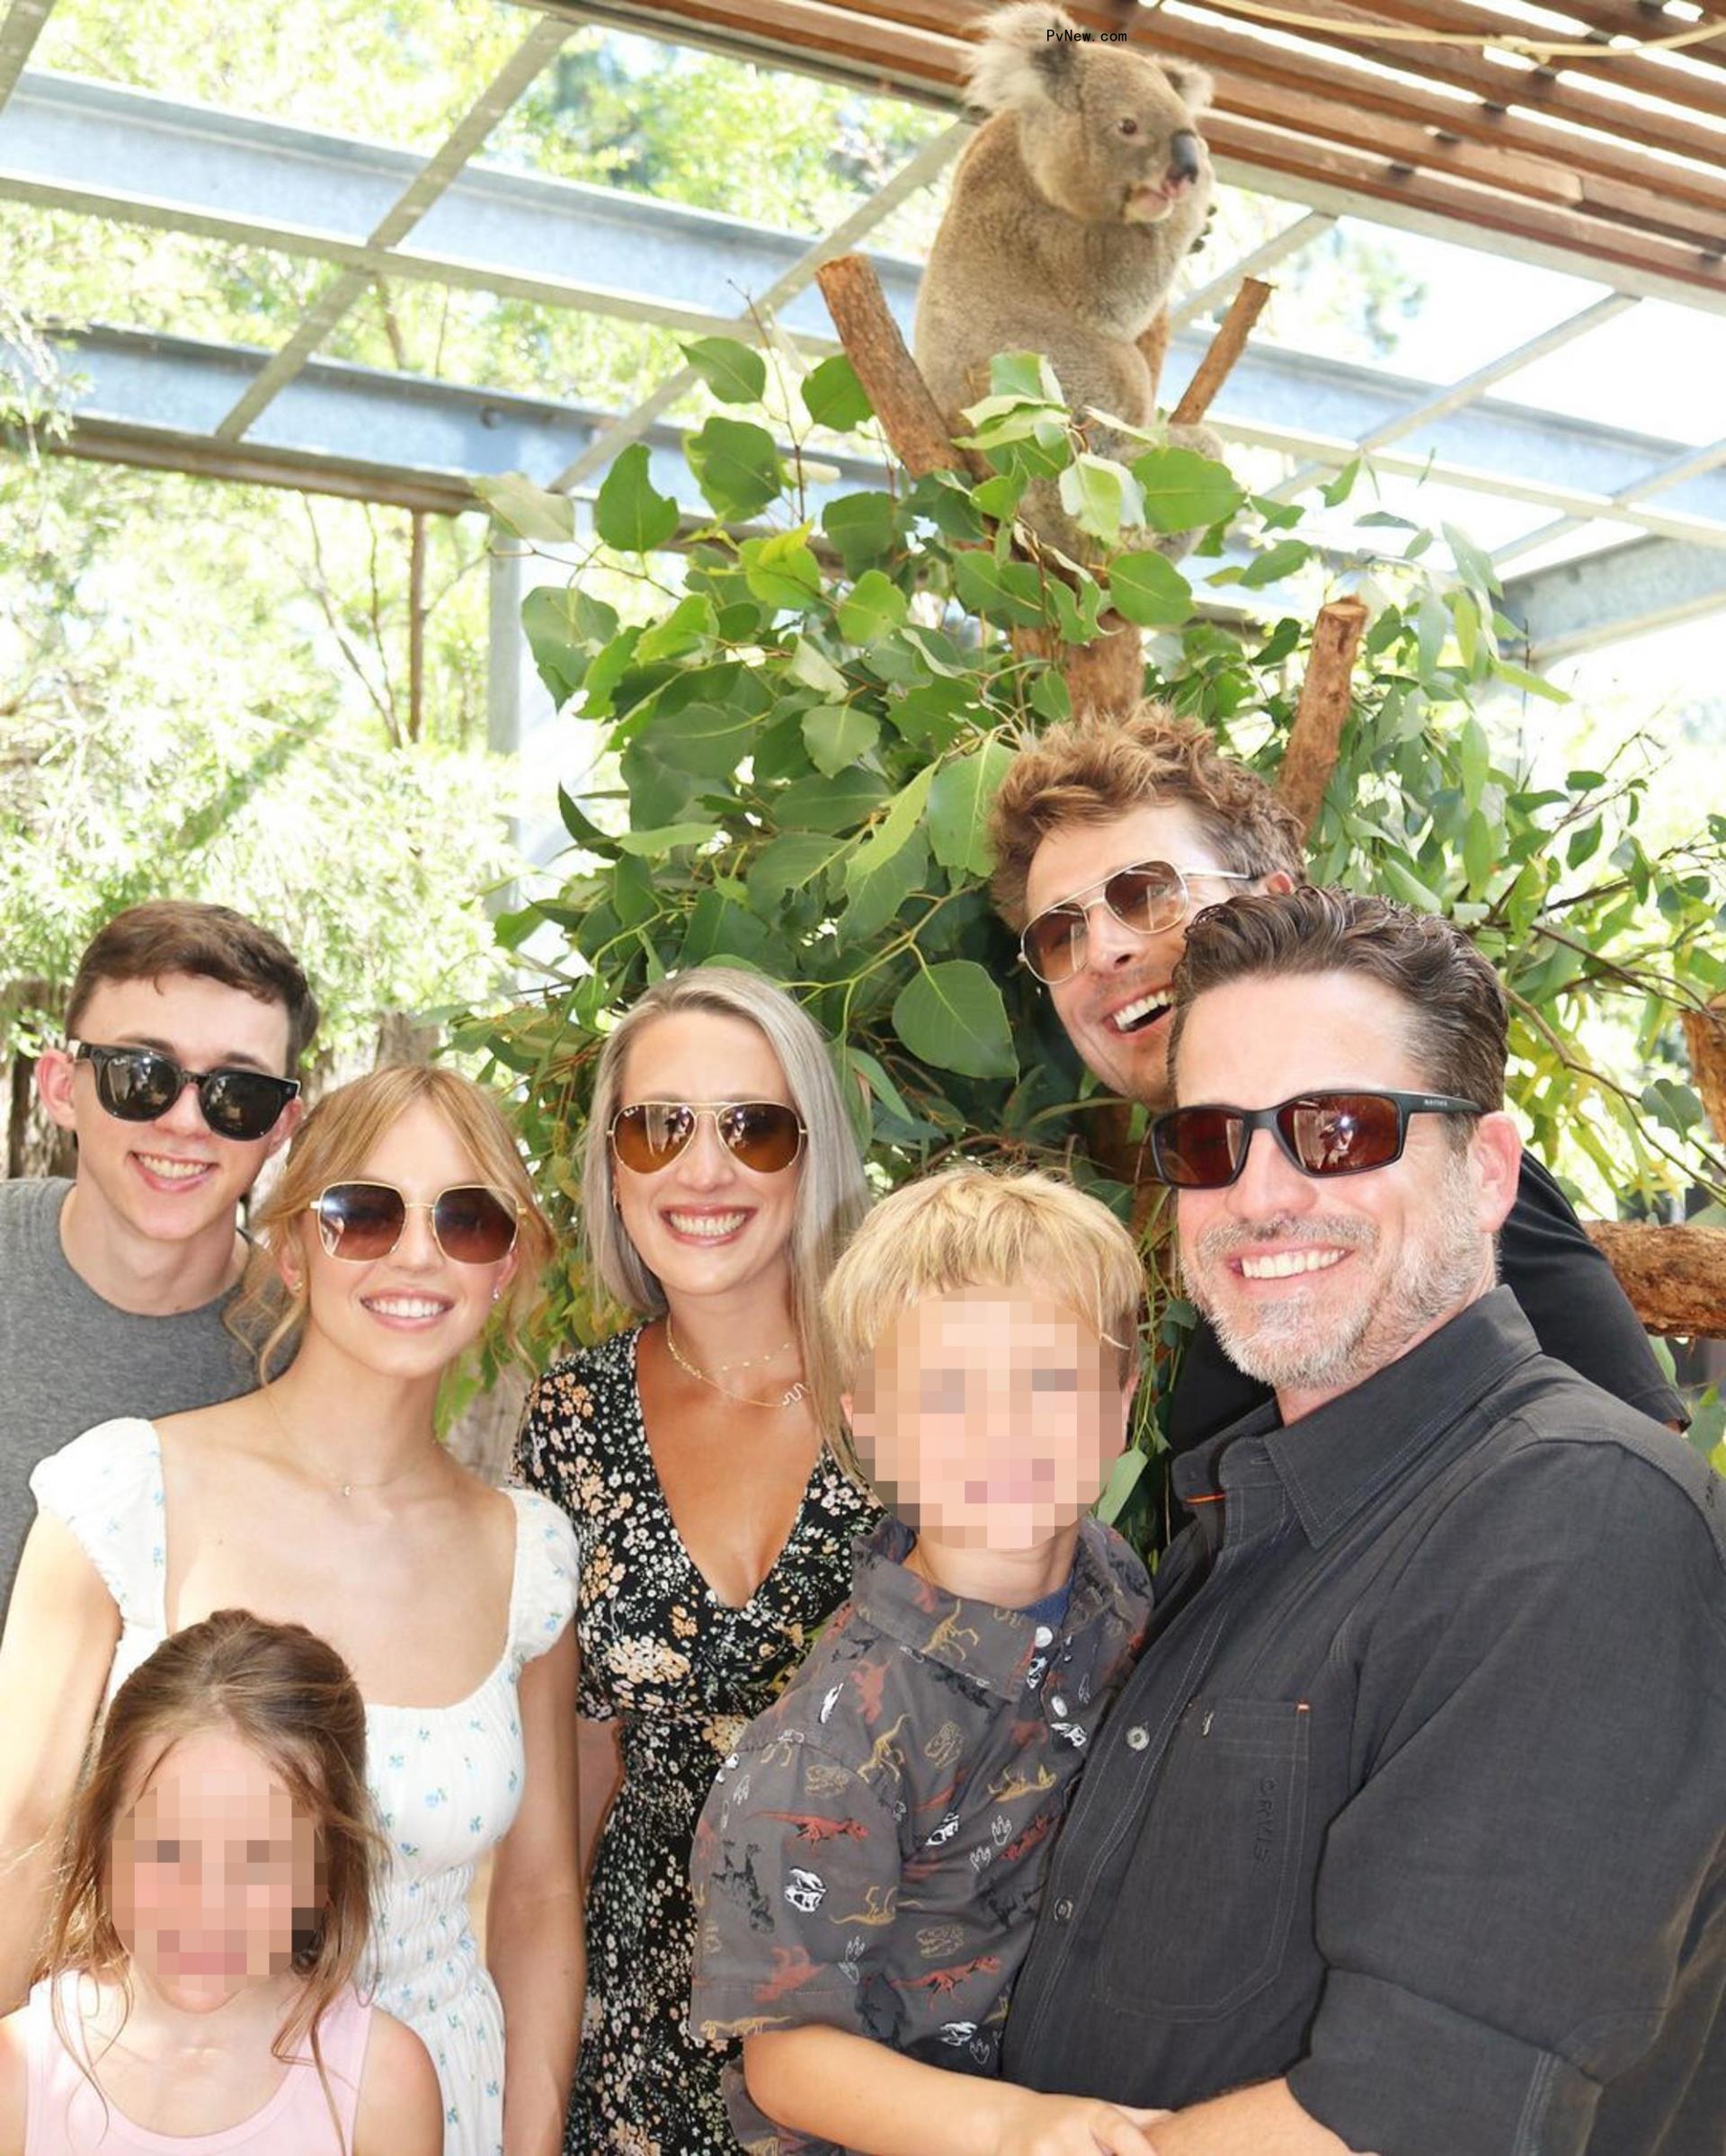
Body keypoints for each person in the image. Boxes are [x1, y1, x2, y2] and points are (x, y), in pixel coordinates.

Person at [999, 887, 1725, 2155]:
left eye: (1340, 1129)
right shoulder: (1253, 1508)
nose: (1262, 1194)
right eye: (1213, 1138)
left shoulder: (1578, 1523)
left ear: (1488, 1170)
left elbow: (1414, 2114)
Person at [0, 1064, 582, 2156]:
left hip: (442, 2099)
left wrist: (530, 2142)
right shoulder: (124, 1493)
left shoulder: (529, 1556)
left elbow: (537, 1898)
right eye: (364, 1213)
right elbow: (18, 1837)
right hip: (156, 2107)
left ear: (504, 1266)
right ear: (292, 1244)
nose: (417, 1252)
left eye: (466, 1218)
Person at [986, 707, 1686, 1444]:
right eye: (1061, 934)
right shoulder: (1218, 1186)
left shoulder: (1408, 1156)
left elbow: (1633, 1465)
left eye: (1146, 893)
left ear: (1273, 902)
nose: (1103, 951)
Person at [689, 1165, 1160, 2156]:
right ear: (864, 1413)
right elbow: (786, 2057)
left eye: (1049, 1380)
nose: (1005, 1427)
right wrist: (1017, 2130)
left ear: (1122, 1403)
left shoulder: (1118, 1586)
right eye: (949, 1390)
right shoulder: (832, 1745)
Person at [513, 967, 884, 2155]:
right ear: (612, 1162)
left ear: (810, 1153)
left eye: (753, 1127)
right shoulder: (571, 1416)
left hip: (878, 2023)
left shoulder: (914, 1388)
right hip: (635, 2042)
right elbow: (564, 1787)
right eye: (659, 1125)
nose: (703, 1169)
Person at [0, 1607, 440, 2153]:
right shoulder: (19, 2076)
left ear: (327, 1874)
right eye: (170, 1848)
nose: (208, 1900)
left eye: (260, 1858)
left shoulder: (379, 2086)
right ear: (102, 1841)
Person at [1, 900, 317, 1613]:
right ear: (60, 1088)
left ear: (279, 1129)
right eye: (142, 1076)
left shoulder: (312, 1352)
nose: (183, 1121)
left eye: (239, 1094)